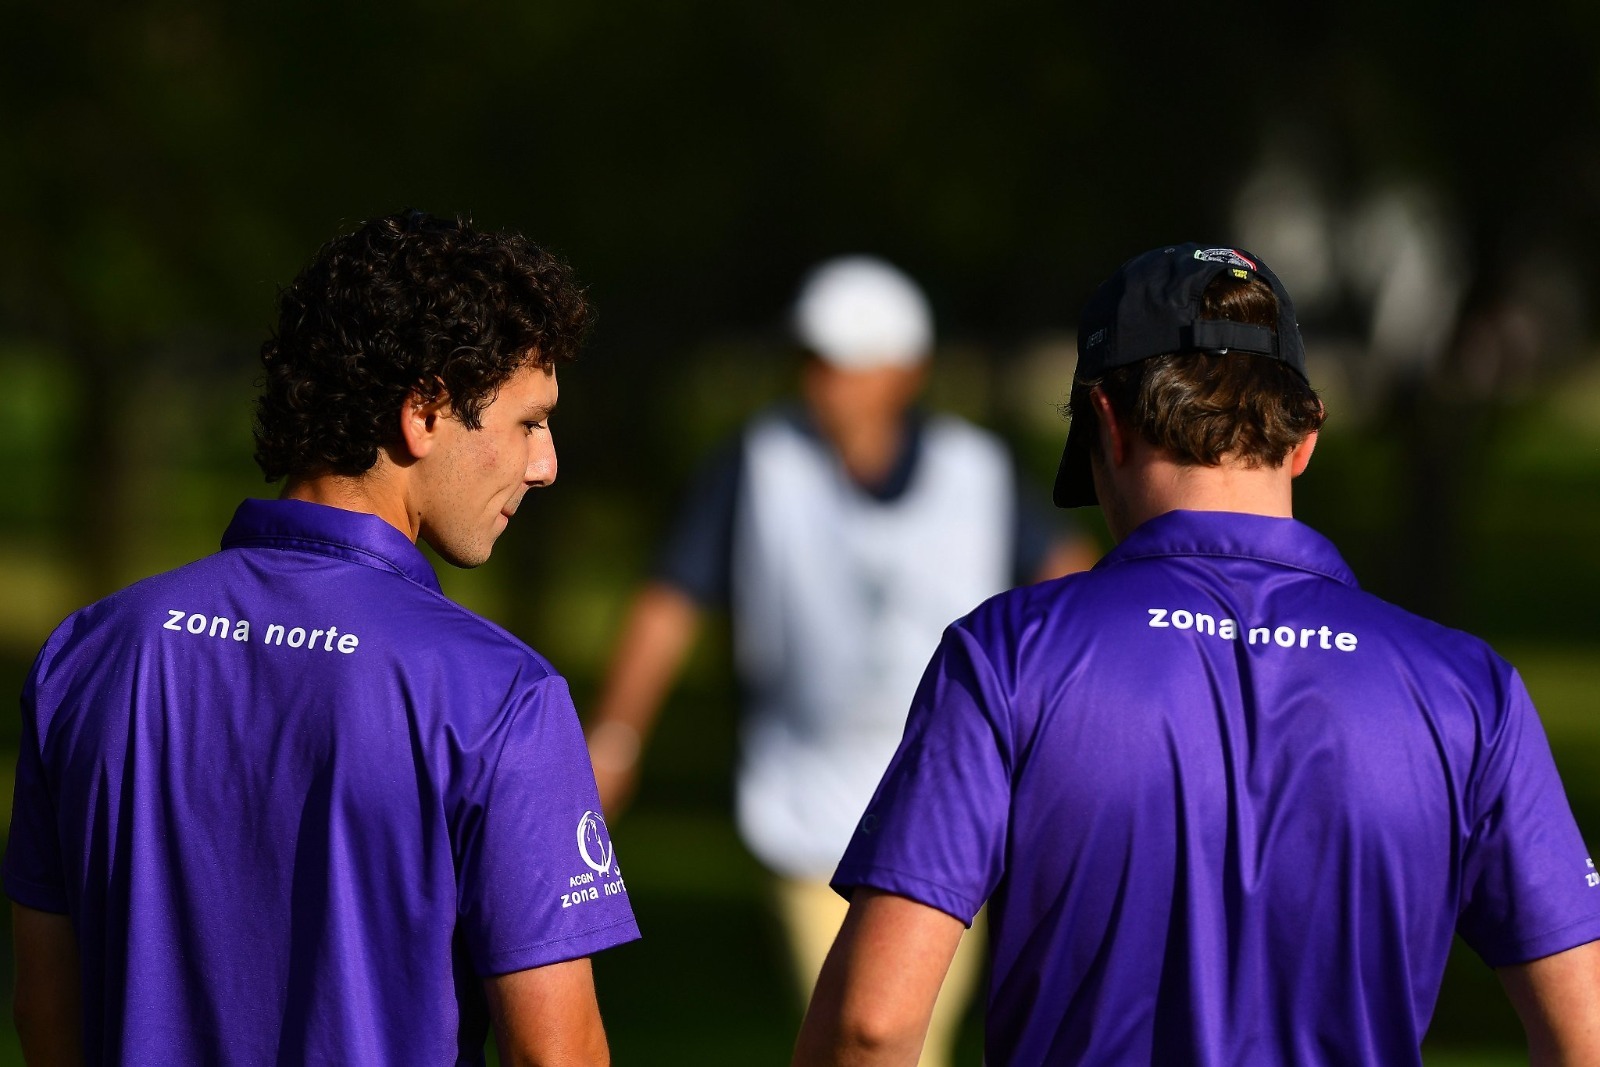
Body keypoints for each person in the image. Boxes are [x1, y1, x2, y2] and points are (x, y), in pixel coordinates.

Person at [793, 243, 1600, 1066]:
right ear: (1305, 437)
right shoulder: (1467, 691)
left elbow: (873, 1026)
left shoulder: (1010, 655)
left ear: (1106, 422)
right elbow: (1588, 1036)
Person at [3, 211, 639, 1066]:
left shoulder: (87, 653)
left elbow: (46, 1013)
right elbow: (557, 1055)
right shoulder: (501, 696)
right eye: (529, 422)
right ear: (425, 410)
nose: (546, 463)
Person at [586, 255, 1095, 1066]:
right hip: (804, 810)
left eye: (846, 364)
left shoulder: (979, 472)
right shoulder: (754, 463)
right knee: (869, 1039)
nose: (825, 383)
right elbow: (668, 604)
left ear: (905, 373)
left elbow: (1069, 576)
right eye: (814, 361)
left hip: (955, 807)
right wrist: (614, 739)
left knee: (889, 1039)